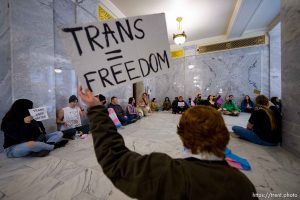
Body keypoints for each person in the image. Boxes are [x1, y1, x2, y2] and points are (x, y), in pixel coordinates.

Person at [78, 87, 257, 200]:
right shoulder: (243, 185)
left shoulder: (169, 173)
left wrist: (95, 108)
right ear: (224, 134)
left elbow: (115, 159)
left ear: (182, 134)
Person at [1, 99, 68, 158]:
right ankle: (53, 146)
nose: (31, 109)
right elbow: (19, 137)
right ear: (23, 109)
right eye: (30, 108)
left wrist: (40, 128)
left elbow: (40, 131)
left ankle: (41, 148)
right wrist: (25, 124)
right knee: (32, 144)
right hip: (13, 148)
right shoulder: (8, 120)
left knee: (58, 133)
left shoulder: (29, 117)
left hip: (34, 140)